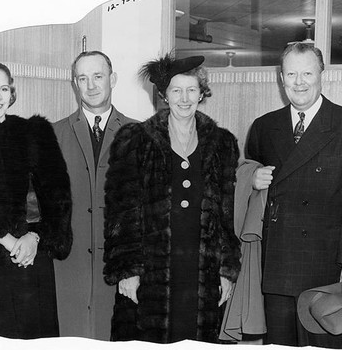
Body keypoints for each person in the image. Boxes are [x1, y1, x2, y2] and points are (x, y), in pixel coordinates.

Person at [103, 54, 241, 343]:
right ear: (164, 95)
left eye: (192, 90)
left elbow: (226, 214)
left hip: (201, 271)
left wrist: (227, 270)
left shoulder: (222, 143)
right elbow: (121, 211)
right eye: (176, 90)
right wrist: (128, 270)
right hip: (151, 272)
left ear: (202, 93)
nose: (184, 98)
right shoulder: (136, 140)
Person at [246, 42, 342, 348]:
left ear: (321, 75)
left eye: (307, 73)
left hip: (326, 265)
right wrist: (252, 178)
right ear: (281, 78)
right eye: (291, 74)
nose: (299, 81)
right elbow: (251, 180)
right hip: (277, 264)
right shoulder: (264, 127)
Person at [0, 60, 72, 339]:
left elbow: (57, 198)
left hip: (31, 261)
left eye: (4, 88)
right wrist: (5, 239)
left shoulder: (34, 133)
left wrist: (35, 237)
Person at [53, 51, 136, 340]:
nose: (91, 85)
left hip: (120, 267)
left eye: (98, 76)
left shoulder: (139, 134)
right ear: (74, 83)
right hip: (69, 267)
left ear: (112, 79)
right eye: (82, 78)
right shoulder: (54, 134)